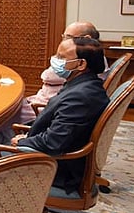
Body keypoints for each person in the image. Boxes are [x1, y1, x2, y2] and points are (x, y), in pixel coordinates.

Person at [11, 37, 109, 192]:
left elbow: (53, 143)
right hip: (51, 155)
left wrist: (23, 142)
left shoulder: (80, 97)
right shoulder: (85, 84)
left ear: (81, 64)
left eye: (61, 57)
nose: (54, 60)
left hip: (54, 169)